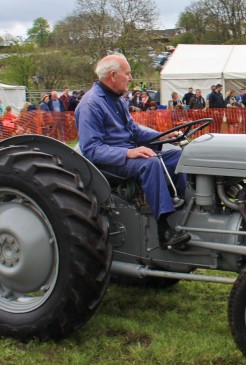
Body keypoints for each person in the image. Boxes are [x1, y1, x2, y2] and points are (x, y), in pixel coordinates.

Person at [75, 53, 191, 249]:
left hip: (127, 153)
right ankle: (164, 230)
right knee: (151, 163)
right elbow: (90, 149)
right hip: (109, 162)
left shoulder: (118, 99)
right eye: (127, 74)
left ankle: (181, 208)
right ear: (113, 76)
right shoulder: (91, 104)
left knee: (177, 156)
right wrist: (127, 153)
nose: (131, 78)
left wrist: (162, 136)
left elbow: (134, 130)